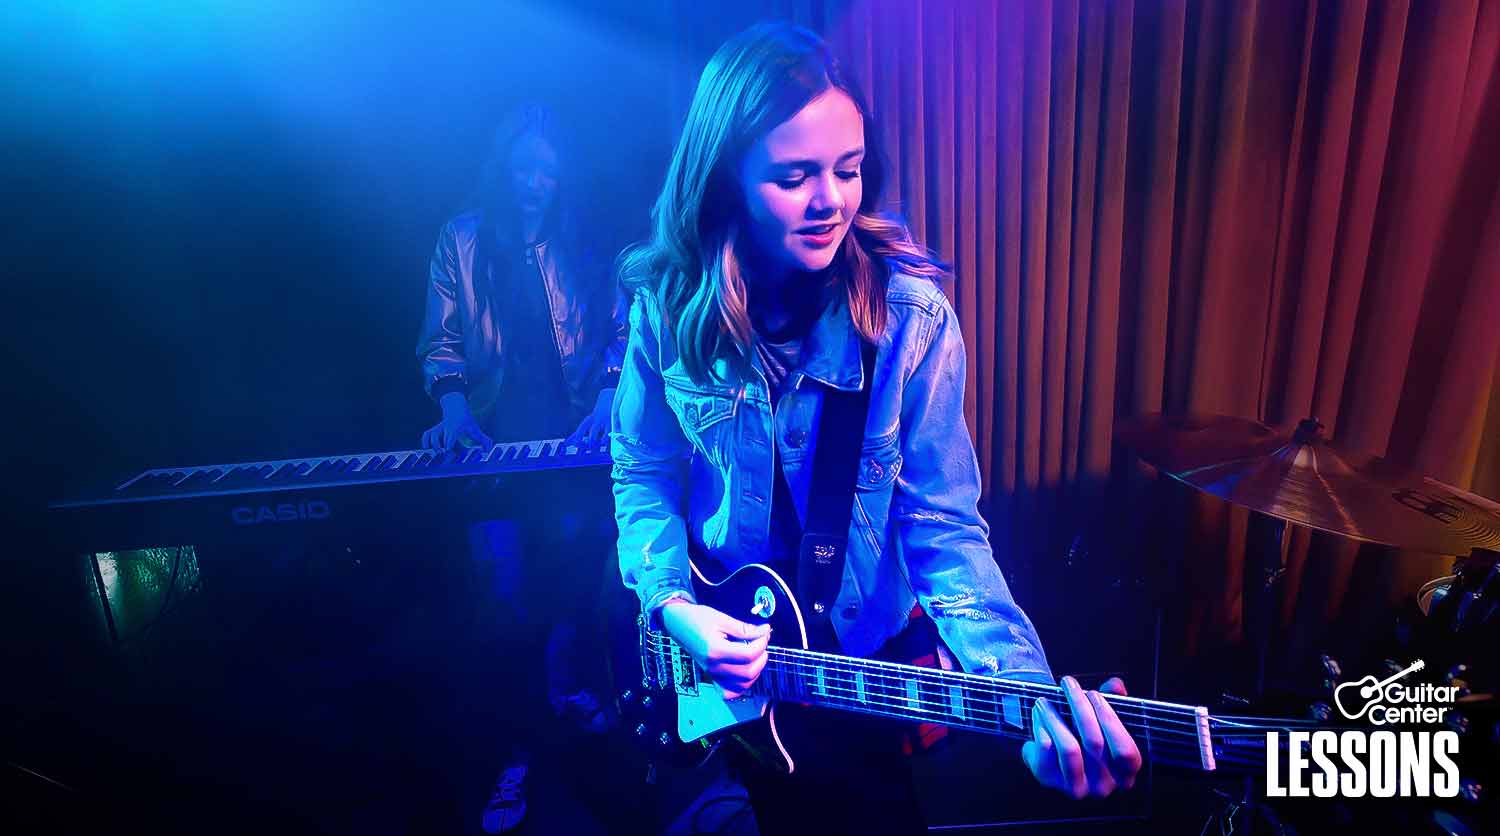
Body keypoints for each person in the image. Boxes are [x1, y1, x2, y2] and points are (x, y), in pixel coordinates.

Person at [611, 22, 1142, 834]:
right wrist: (672, 604)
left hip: (858, 664)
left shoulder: (909, 320)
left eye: (848, 170)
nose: (832, 200)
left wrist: (1026, 694)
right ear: (725, 182)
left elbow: (943, 527)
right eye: (795, 176)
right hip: (723, 653)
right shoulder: (665, 304)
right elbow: (642, 470)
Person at [416, 103, 625, 833]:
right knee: (503, 609)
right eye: (524, 167)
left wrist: (606, 394)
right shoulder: (463, 238)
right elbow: (440, 342)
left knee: (577, 595)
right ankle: (515, 755)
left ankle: (566, 714)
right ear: (505, 167)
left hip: (574, 450)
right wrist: (452, 409)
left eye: (548, 170)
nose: (535, 182)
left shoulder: (584, 241)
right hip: (498, 453)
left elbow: (625, 326)